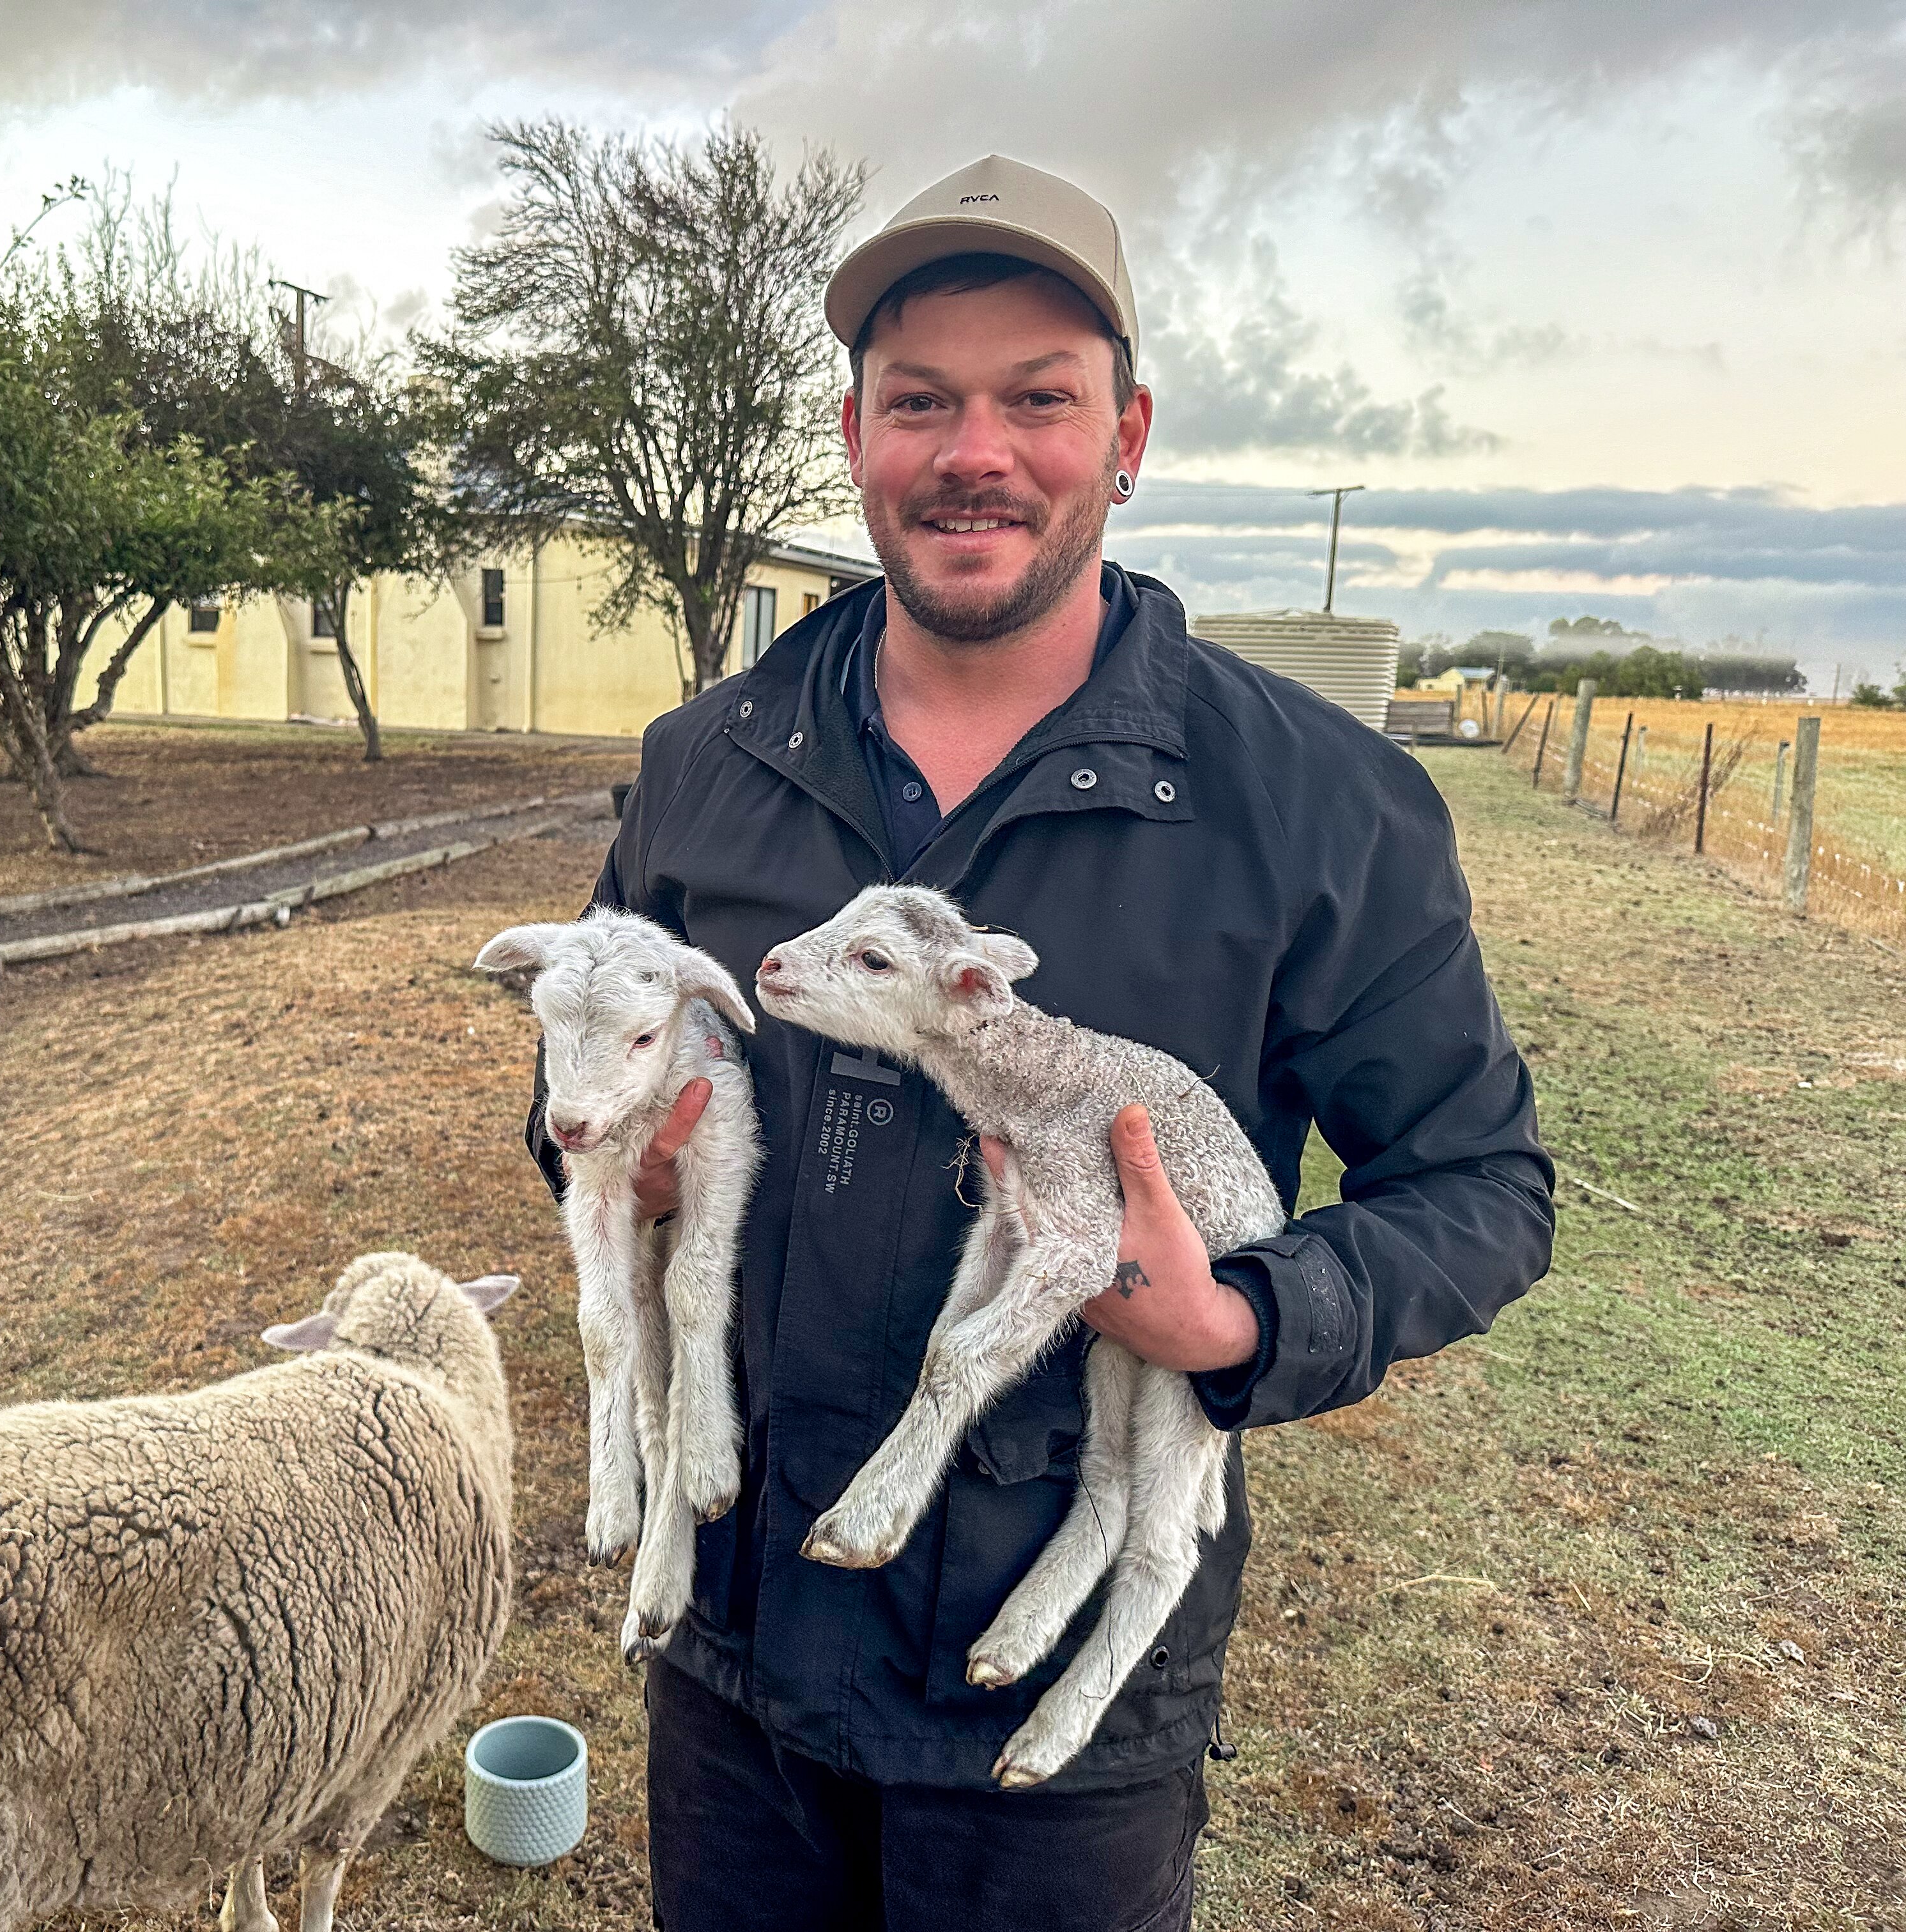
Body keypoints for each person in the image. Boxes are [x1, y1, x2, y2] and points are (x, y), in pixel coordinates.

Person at [525, 154, 1555, 1931]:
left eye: (1038, 401)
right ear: (855, 433)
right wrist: (605, 1144)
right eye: (921, 400)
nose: (973, 451)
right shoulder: (707, 761)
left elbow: (1482, 1184)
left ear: (1128, 431)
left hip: (1049, 1725)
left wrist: (1244, 1321)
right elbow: (583, 1082)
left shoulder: (1314, 805)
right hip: (737, 1656)